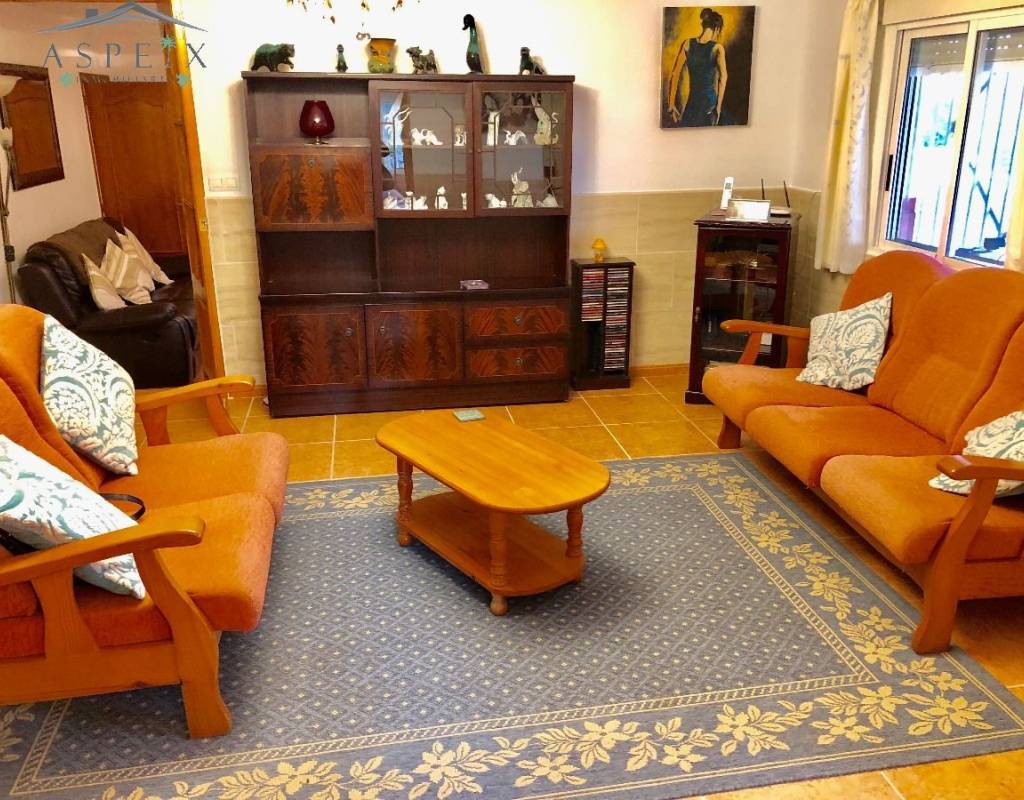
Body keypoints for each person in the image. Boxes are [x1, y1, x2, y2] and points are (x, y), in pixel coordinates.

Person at [666, 8, 729, 126]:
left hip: (692, 104)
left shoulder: (687, 44)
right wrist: (718, 107)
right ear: (716, 29)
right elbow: (723, 78)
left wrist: (671, 104)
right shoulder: (718, 48)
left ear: (704, 25)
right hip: (710, 105)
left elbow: (675, 74)